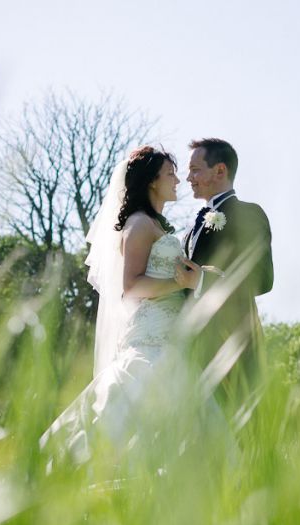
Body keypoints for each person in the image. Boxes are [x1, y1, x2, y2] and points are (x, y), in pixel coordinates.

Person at [40, 146, 200, 465]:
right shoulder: (139, 225)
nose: (178, 180)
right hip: (150, 340)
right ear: (152, 181)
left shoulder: (157, 225)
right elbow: (131, 287)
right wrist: (179, 284)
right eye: (170, 173)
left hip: (170, 337)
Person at [182, 138, 274, 411]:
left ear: (219, 171)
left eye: (195, 169)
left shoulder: (248, 214)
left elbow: (263, 279)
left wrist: (200, 280)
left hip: (231, 346)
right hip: (190, 350)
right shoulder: (191, 227)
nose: (189, 177)